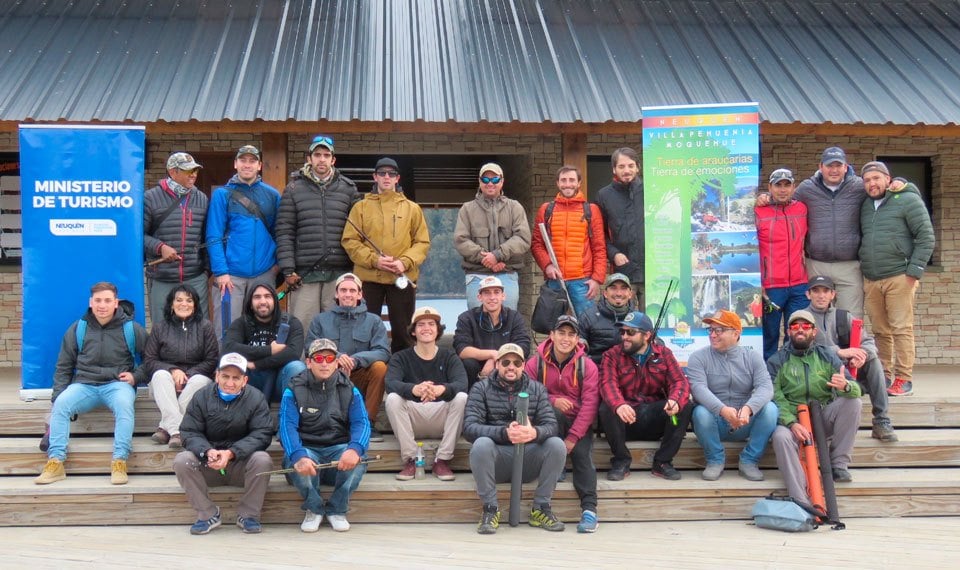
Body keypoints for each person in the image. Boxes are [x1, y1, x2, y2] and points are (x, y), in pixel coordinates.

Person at [35, 282, 148, 486]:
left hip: (117, 384)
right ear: (90, 302)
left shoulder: (132, 329)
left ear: (116, 303)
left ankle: (120, 461)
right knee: (61, 405)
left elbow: (152, 360)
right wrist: (56, 398)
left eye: (107, 300)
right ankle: (56, 462)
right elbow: (64, 366)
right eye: (97, 300)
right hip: (85, 385)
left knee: (124, 405)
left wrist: (136, 376)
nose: (102, 305)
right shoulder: (79, 328)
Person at [464, 343, 566, 534]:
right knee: (481, 444)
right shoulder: (480, 389)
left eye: (517, 362)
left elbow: (552, 425)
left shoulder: (537, 389)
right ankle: (490, 509)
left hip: (528, 459)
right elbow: (469, 428)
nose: (511, 366)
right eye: (506, 362)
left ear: (523, 365)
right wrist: (504, 432)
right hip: (498, 460)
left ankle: (540, 508)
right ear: (497, 364)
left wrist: (533, 432)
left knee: (556, 444)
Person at [173, 353, 274, 535]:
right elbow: (188, 432)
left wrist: (232, 453)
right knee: (182, 460)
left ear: (245, 380)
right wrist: (207, 451)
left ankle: (249, 515)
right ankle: (207, 514)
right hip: (209, 465)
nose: (230, 382)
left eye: (236, 378)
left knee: (263, 459)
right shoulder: (201, 397)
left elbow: (263, 434)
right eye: (225, 376)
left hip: (240, 465)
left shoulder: (256, 398)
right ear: (217, 375)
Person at [768, 310, 862, 504]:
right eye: (795, 327)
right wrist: (791, 423)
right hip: (793, 421)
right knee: (779, 436)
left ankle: (839, 464)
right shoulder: (776, 361)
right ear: (789, 331)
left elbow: (857, 390)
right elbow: (775, 397)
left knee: (853, 402)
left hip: (822, 418)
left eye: (805, 326)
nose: (800, 330)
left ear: (814, 331)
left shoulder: (827, 356)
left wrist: (846, 386)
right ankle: (800, 497)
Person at [858, 161, 935, 397]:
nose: (872, 184)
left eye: (876, 179)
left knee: (901, 329)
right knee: (880, 330)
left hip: (900, 276)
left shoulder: (907, 199)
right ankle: (884, 374)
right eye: (867, 180)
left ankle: (904, 378)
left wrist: (915, 270)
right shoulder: (866, 206)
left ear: (888, 179)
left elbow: (926, 236)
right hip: (872, 278)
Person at [278, 339, 371, 533]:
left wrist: (354, 449)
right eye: (318, 358)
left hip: (338, 451)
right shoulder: (293, 389)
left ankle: (337, 509)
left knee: (359, 460)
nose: (324, 363)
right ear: (309, 362)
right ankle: (314, 508)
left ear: (337, 362)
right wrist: (298, 455)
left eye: (329, 358)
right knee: (295, 461)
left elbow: (362, 423)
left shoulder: (350, 389)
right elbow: (286, 428)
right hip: (307, 450)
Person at [342, 157, 431, 353]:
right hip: (368, 278)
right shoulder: (360, 208)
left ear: (397, 178)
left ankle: (401, 375)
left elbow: (422, 242)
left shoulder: (412, 209)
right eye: (382, 173)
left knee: (404, 331)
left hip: (401, 278)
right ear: (375, 177)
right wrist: (375, 260)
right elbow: (350, 241)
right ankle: (365, 370)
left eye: (391, 174)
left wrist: (405, 262)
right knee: (363, 330)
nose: (386, 177)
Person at [524, 315, 601, 533]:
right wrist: (553, 400)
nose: (566, 339)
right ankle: (556, 465)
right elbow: (527, 394)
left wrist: (573, 438)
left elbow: (590, 405)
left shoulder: (587, 366)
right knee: (554, 411)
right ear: (551, 335)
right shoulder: (535, 362)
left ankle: (589, 510)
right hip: (548, 423)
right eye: (561, 333)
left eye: (571, 334)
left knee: (583, 456)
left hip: (579, 423)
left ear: (577, 339)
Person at [275, 135, 359, 327]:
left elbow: (358, 232)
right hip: (304, 275)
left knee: (337, 329)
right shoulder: (293, 189)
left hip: (339, 273)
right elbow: (284, 231)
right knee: (302, 328)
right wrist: (288, 270)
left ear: (333, 160)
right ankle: (302, 360)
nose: (322, 159)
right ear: (309, 158)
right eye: (317, 154)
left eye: (326, 155)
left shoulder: (348, 189)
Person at [598, 311, 692, 481]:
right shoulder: (611, 355)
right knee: (607, 407)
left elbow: (680, 382)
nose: (624, 337)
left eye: (631, 332)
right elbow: (607, 384)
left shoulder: (664, 354)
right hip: (625, 422)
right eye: (622, 332)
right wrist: (619, 404)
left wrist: (675, 400)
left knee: (685, 404)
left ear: (647, 335)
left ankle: (663, 462)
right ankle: (621, 461)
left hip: (655, 419)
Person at [803, 275, 897, 441]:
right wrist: (839, 352)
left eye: (826, 291)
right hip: (818, 377)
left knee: (873, 360)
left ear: (833, 294)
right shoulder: (802, 318)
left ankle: (881, 421)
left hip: (848, 375)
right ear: (808, 294)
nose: (821, 295)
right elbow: (799, 350)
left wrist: (861, 355)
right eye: (816, 291)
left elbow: (868, 341)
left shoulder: (843, 316)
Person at [687, 310, 777, 482]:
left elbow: (766, 387)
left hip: (745, 421)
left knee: (771, 409)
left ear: (736, 333)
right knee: (699, 412)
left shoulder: (752, 357)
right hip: (714, 422)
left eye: (719, 330)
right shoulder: (698, 357)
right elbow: (698, 389)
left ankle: (749, 460)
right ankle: (715, 460)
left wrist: (748, 409)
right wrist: (722, 410)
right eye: (711, 330)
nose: (712, 335)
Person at [385, 307, 469, 481]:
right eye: (421, 324)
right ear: (413, 331)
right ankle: (412, 459)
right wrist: (414, 389)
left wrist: (441, 389)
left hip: (441, 419)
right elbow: (390, 383)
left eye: (431, 324)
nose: (426, 328)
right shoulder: (401, 357)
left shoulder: (449, 357)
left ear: (438, 330)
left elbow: (462, 383)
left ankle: (442, 460)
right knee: (393, 398)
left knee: (462, 397)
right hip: (414, 418)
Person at [206, 145, 281, 338]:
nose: (247, 165)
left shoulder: (272, 195)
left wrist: (276, 266)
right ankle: (225, 368)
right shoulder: (222, 195)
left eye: (252, 161)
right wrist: (221, 272)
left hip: (264, 273)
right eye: (243, 160)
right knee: (227, 330)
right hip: (231, 277)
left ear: (259, 165)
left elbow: (281, 233)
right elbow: (213, 236)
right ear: (235, 164)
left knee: (264, 330)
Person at [305, 272, 389, 441]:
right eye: (343, 290)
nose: (347, 294)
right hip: (329, 374)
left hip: (359, 375)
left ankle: (368, 423)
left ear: (360, 294)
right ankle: (323, 424)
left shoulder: (374, 321)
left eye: (352, 291)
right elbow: (310, 348)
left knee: (380, 367)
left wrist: (356, 360)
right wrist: (336, 357)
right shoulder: (320, 320)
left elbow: (383, 351)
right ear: (336, 294)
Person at [793, 146, 867, 317]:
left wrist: (900, 182)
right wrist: (766, 197)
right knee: (817, 316)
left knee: (852, 318)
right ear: (820, 167)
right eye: (829, 166)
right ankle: (823, 345)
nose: (834, 170)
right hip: (817, 265)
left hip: (849, 266)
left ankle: (850, 346)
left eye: (838, 165)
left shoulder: (859, 187)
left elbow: (883, 190)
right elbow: (785, 201)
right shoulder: (806, 188)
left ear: (845, 167)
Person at [144, 284, 219, 449]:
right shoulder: (159, 327)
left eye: (189, 300)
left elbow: (212, 360)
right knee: (159, 375)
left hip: (196, 377)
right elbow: (149, 360)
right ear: (171, 304)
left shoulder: (205, 327)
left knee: (199, 381)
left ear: (195, 305)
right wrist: (172, 370)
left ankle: (165, 428)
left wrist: (188, 374)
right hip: (166, 380)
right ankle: (178, 431)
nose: (183, 304)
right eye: (178, 300)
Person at [531, 165, 606, 318]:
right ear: (558, 183)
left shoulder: (591, 210)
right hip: (555, 280)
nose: (567, 184)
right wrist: (547, 265)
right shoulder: (546, 210)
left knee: (587, 326)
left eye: (572, 180)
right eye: (563, 180)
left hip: (582, 282)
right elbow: (537, 244)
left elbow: (599, 248)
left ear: (579, 183)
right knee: (553, 328)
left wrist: (597, 279)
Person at [453, 162, 531, 310]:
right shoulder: (467, 209)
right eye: (485, 179)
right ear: (480, 182)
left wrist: (498, 255)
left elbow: (523, 238)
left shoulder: (515, 207)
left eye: (495, 179)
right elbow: (460, 240)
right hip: (476, 274)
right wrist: (486, 259)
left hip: (507, 272)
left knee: (508, 323)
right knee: (477, 323)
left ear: (501, 182)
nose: (490, 183)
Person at [144, 152, 210, 323]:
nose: (194, 174)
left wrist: (206, 270)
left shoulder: (202, 199)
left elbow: (207, 237)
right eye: (188, 171)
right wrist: (160, 248)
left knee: (200, 328)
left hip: (195, 277)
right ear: (173, 172)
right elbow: (137, 237)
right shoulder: (150, 198)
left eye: (195, 170)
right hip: (162, 277)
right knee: (162, 329)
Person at [755, 168, 809, 359]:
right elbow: (752, 250)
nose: (783, 189)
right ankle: (768, 374)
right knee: (769, 334)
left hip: (799, 284)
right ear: (770, 187)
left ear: (794, 187)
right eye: (778, 185)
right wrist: (758, 282)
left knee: (796, 332)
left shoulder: (802, 209)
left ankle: (790, 371)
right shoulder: (758, 211)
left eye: (787, 185)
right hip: (771, 287)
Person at [222, 283, 306, 402]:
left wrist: (257, 364)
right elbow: (229, 348)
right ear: (250, 303)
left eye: (267, 296)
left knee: (297, 367)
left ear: (275, 301)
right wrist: (269, 350)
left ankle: (288, 413)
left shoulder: (291, 322)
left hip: (280, 381)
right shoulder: (242, 323)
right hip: (250, 382)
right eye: (257, 297)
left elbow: (293, 353)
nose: (262, 301)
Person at [453, 276, 532, 386]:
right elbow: (461, 349)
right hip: (476, 370)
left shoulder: (514, 317)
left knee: (523, 362)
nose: (492, 297)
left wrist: (498, 359)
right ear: (479, 297)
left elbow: (524, 346)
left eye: (496, 292)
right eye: (487, 293)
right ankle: (471, 399)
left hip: (506, 364)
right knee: (467, 363)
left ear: (503, 296)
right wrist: (492, 354)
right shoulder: (466, 318)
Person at [594, 147, 645, 305]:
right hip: (623, 272)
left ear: (638, 167)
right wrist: (613, 254)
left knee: (651, 324)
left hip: (652, 270)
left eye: (630, 165)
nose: (627, 170)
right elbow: (599, 234)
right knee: (622, 323)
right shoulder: (604, 196)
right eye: (621, 166)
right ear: (614, 169)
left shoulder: (651, 191)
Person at [578, 273, 637, 365]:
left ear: (630, 294)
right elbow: (578, 349)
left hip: (628, 372)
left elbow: (654, 343)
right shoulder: (588, 317)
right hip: (597, 371)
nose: (618, 293)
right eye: (613, 288)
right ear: (605, 293)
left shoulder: (638, 319)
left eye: (623, 288)